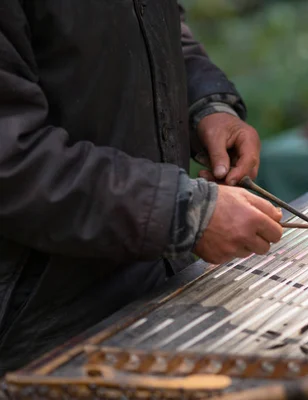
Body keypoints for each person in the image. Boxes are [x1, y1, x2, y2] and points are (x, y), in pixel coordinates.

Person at [0, 2, 283, 374]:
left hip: (158, 285)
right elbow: (11, 161)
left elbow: (160, 31)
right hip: (43, 326)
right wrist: (180, 214)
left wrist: (207, 106)